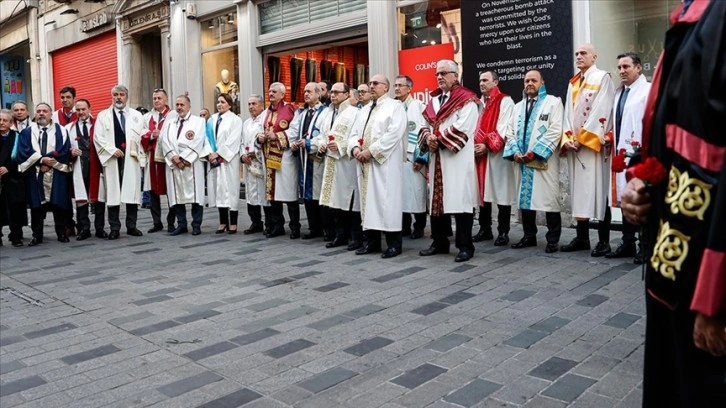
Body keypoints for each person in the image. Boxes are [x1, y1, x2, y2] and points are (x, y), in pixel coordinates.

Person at [620, 1, 726, 405]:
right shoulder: (694, 12)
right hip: (672, 265)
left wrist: (717, 296)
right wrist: (643, 182)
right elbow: (675, 130)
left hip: (706, 270)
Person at [418, 60, 480, 262]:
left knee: (460, 201)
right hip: (436, 159)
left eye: (444, 73)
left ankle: (465, 246)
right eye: (437, 74)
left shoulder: (467, 99)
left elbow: (465, 127)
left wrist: (439, 140)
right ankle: (440, 241)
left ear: (455, 75)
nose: (439, 77)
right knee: (436, 203)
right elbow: (423, 124)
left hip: (456, 160)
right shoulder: (434, 100)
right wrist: (428, 138)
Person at [560, 43, 615, 256]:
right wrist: (568, 137)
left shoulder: (603, 78)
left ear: (594, 56)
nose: (579, 56)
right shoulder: (573, 82)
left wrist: (583, 138)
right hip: (575, 146)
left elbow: (603, 109)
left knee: (599, 191)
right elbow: (567, 113)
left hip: (593, 146)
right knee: (579, 193)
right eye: (577, 54)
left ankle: (604, 240)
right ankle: (582, 238)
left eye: (583, 53)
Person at [504, 70, 563, 253]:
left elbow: (556, 130)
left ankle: (552, 239)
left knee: (549, 200)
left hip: (543, 161)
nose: (529, 83)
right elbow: (509, 131)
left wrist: (534, 152)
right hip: (521, 161)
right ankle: (529, 236)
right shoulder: (517, 106)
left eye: (533, 80)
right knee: (525, 201)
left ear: (542, 82)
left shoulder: (553, 103)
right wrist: (514, 151)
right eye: (526, 80)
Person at [348, 74, 406, 258]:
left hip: (384, 164)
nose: (371, 86)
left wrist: (371, 151)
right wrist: (355, 148)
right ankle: (371, 242)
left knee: (387, 202)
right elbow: (354, 133)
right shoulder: (364, 110)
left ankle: (394, 244)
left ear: (385, 88)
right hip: (364, 165)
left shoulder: (395, 107)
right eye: (370, 83)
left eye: (376, 83)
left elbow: (394, 133)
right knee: (368, 204)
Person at [603, 52, 650, 263]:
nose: (621, 71)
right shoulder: (620, 93)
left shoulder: (647, 91)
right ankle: (628, 242)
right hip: (622, 152)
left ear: (638, 68)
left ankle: (645, 246)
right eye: (619, 67)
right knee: (625, 197)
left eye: (626, 66)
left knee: (640, 197)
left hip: (641, 154)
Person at [93, 85, 146, 240]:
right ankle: (114, 228)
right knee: (113, 194)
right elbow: (98, 137)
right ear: (112, 96)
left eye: (121, 94)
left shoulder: (137, 115)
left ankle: (132, 226)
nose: (118, 98)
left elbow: (143, 134)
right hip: (112, 158)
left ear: (126, 97)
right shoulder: (103, 116)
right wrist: (110, 150)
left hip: (131, 158)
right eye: (115, 94)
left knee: (132, 193)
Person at [16, 103, 72, 246]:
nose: (41, 114)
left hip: (56, 172)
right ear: (34, 114)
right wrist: (41, 161)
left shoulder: (62, 131)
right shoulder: (27, 132)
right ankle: (37, 235)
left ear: (50, 113)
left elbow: (64, 150)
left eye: (45, 111)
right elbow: (24, 151)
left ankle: (61, 233)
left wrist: (49, 163)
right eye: (39, 111)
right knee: (36, 206)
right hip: (35, 173)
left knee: (59, 204)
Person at [317, 82, 363, 250]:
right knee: (334, 200)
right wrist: (321, 144)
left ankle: (355, 237)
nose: (333, 95)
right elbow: (322, 134)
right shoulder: (328, 113)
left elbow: (357, 136)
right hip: (330, 162)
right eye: (332, 92)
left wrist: (341, 146)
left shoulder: (355, 113)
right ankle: (340, 235)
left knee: (350, 201)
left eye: (337, 92)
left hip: (346, 163)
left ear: (346, 94)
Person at [474, 70, 516, 246]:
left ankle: (503, 232)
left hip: (497, 154)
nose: (482, 83)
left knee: (501, 192)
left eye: (485, 80)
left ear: (496, 82)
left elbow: (504, 127)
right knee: (482, 193)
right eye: (480, 80)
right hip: (479, 155)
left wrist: (487, 145)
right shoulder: (478, 103)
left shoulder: (505, 101)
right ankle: (485, 229)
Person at [160, 95, 208, 236]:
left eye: (182, 104)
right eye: (177, 105)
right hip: (174, 164)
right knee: (177, 196)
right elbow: (164, 141)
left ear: (189, 106)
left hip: (191, 163)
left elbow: (198, 141)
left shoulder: (199, 122)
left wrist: (184, 158)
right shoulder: (169, 123)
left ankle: (196, 225)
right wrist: (173, 157)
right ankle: (181, 224)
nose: (179, 107)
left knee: (196, 196)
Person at [257, 82, 299, 238]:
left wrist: (278, 136)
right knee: (273, 195)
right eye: (269, 91)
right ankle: (277, 225)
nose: (271, 94)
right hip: (268, 157)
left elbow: (295, 130)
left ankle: (295, 226)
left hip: (285, 157)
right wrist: (260, 137)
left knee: (289, 193)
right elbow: (259, 128)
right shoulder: (266, 112)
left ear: (282, 94)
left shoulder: (290, 109)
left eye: (274, 91)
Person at [289, 83, 329, 240]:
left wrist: (308, 143)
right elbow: (293, 131)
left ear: (318, 94)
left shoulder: (325, 112)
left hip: (317, 158)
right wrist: (293, 143)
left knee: (319, 194)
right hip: (304, 160)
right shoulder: (302, 113)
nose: (305, 94)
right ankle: (314, 228)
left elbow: (325, 134)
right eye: (304, 91)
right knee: (307, 194)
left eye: (309, 91)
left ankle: (326, 228)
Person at [394, 75, 428, 239]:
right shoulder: (394, 107)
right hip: (397, 157)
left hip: (413, 156)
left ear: (409, 88)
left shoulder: (418, 106)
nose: (397, 88)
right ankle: (404, 226)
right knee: (400, 192)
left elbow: (424, 131)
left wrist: (421, 157)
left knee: (416, 191)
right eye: (395, 85)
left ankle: (419, 227)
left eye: (400, 85)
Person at [206, 93, 243, 234]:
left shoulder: (235, 120)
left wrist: (219, 153)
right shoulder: (212, 120)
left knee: (231, 190)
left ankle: (233, 223)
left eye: (222, 102)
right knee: (219, 190)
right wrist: (210, 153)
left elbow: (233, 140)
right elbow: (207, 138)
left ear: (229, 104)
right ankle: (222, 222)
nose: (219, 104)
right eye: (218, 102)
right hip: (215, 161)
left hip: (228, 160)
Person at [141, 88, 177, 233]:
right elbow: (142, 132)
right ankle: (157, 222)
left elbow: (175, 133)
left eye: (159, 98)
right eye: (154, 98)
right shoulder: (148, 116)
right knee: (153, 190)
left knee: (171, 190)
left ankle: (171, 222)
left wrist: (160, 133)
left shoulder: (173, 115)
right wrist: (150, 135)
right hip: (152, 157)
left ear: (166, 100)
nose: (156, 101)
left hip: (167, 158)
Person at [65, 99, 99, 241]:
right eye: (77, 110)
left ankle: (100, 228)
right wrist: (70, 152)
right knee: (81, 199)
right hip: (79, 167)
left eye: (83, 109)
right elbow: (63, 147)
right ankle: (84, 228)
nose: (80, 112)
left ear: (89, 109)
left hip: (97, 167)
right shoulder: (68, 128)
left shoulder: (99, 125)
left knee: (99, 198)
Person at [241, 94, 267, 235]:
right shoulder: (246, 123)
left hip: (261, 162)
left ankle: (269, 222)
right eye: (249, 104)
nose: (251, 107)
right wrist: (242, 155)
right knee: (251, 194)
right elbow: (241, 142)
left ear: (261, 105)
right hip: (249, 164)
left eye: (254, 104)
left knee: (263, 193)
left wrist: (255, 153)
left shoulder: (264, 120)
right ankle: (255, 222)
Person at [0, 109, 27, 247]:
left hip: (13, 178)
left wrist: (8, 168)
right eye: (0, 120)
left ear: (11, 123)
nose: (1, 123)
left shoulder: (18, 137)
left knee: (14, 208)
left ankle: (16, 236)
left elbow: (22, 156)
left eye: (5, 120)